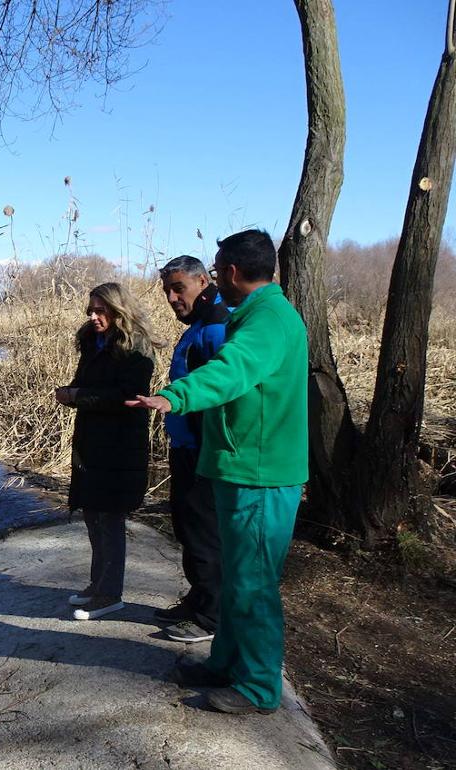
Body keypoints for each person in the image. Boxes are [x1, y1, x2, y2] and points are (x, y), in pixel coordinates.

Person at [127, 229, 308, 715]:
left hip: (260, 475)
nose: (214, 280)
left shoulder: (268, 321)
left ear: (229, 271)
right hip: (241, 468)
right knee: (237, 579)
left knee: (253, 584)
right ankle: (226, 663)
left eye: (216, 270)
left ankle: (258, 687)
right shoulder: (254, 315)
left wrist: (175, 396)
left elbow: (232, 370)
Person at [55, 282, 161, 621]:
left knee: (110, 517)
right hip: (91, 440)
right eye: (91, 310)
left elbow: (129, 397)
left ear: (118, 311)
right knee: (92, 513)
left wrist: (77, 396)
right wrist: (72, 392)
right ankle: (97, 583)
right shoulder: (92, 341)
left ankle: (110, 594)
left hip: (120, 444)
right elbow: (86, 384)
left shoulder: (137, 347)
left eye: (100, 310)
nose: (93, 316)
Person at [154, 256, 229, 644]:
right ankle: (198, 598)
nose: (171, 298)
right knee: (187, 527)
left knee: (204, 532)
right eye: (167, 290)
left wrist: (207, 444)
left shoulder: (216, 326)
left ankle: (210, 617)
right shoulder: (199, 324)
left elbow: (222, 389)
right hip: (186, 445)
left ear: (203, 281)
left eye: (178, 288)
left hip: (204, 449)